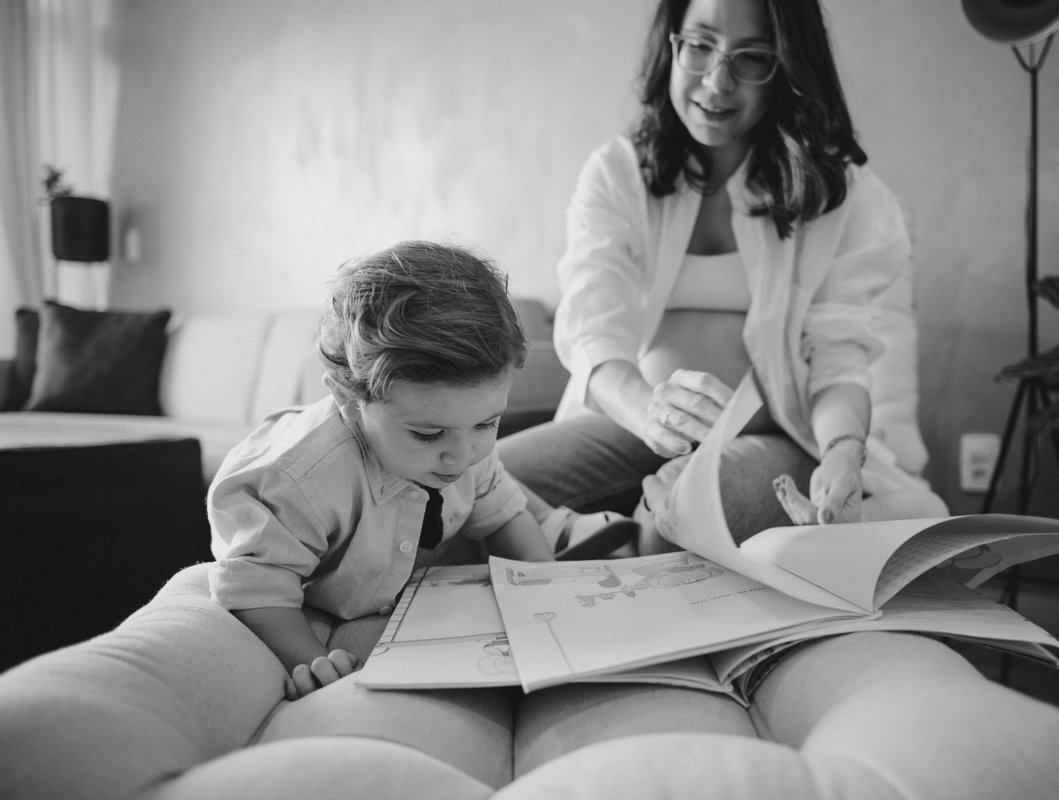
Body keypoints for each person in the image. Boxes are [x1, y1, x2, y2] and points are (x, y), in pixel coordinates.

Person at [502, 0, 948, 549]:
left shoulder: (840, 196)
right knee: (475, 486)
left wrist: (842, 453)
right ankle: (582, 545)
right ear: (672, 44)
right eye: (700, 46)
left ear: (785, 67)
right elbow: (595, 333)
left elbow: (839, 364)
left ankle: (608, 549)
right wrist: (650, 411)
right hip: (635, 418)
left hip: (779, 435)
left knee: (678, 519)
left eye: (752, 58)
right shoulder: (618, 175)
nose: (717, 81)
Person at [208, 241, 558, 699]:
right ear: (350, 401)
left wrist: (547, 588)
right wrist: (310, 659)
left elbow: (506, 514)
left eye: (487, 424)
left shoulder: (463, 440)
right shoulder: (300, 480)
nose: (463, 454)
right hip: (309, 585)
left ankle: (567, 525)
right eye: (429, 435)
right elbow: (258, 588)